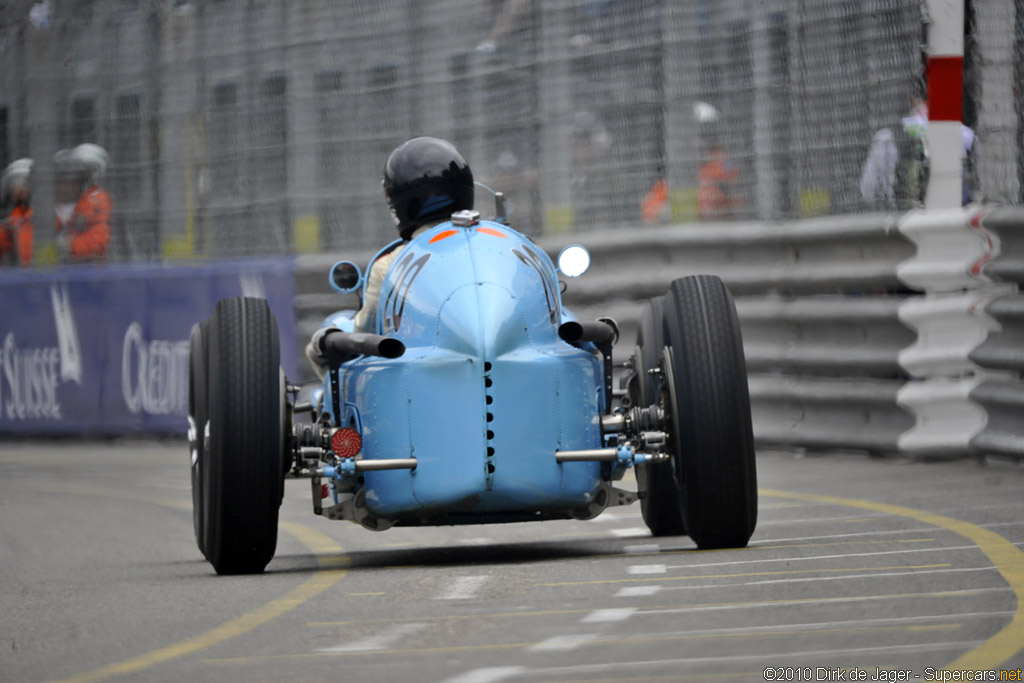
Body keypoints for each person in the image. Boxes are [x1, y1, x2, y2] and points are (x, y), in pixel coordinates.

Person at [306, 137, 475, 375]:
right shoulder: (504, 249)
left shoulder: (390, 266)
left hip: (423, 380)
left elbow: (363, 337)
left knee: (322, 342)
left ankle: (329, 411)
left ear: (397, 201)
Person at [860, 98, 977, 209]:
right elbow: (976, 188)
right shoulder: (967, 136)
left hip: (902, 219)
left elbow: (869, 191)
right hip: (953, 217)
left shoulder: (887, 137)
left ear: (911, 98)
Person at [54, 143, 113, 263]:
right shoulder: (51, 205)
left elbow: (98, 237)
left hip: (88, 268)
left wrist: (69, 245)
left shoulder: (97, 198)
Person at [0, 159, 34, 266]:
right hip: (14, 266)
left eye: (24, 182)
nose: (19, 188)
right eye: (14, 182)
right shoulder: (9, 212)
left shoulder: (40, 209)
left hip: (39, 264)